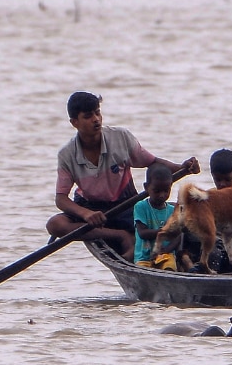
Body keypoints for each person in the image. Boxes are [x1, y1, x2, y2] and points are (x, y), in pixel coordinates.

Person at [46, 91, 199, 260]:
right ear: (74, 122)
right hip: (91, 207)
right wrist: (86, 214)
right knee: (55, 225)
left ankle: (133, 241)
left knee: (182, 218)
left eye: (97, 113)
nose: (96, 119)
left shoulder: (120, 137)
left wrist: (183, 167)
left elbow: (152, 162)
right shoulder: (67, 155)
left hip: (125, 204)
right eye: (88, 116)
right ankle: (119, 235)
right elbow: (61, 199)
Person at [133, 163, 176, 266]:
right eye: (157, 191)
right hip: (144, 257)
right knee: (143, 269)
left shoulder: (172, 210)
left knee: (169, 268)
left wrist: (167, 250)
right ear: (146, 187)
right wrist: (165, 232)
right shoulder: (141, 207)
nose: (162, 195)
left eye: (166, 191)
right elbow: (142, 233)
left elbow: (178, 236)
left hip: (166, 255)